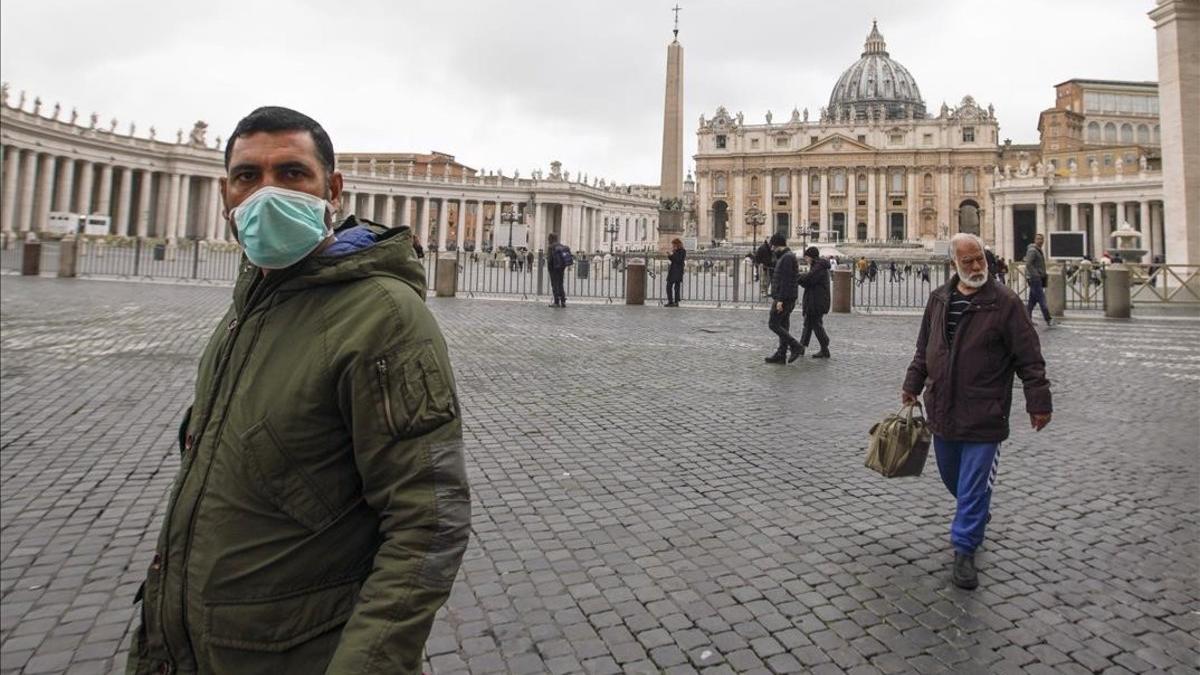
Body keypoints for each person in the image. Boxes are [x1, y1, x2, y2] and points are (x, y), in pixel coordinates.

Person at [126, 106, 470, 674]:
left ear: (332, 189)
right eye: (246, 177)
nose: (265, 193)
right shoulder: (250, 302)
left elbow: (429, 520)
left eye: (291, 173)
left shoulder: (384, 317)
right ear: (225, 195)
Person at [902, 232, 1051, 591]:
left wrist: (1039, 399)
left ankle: (965, 549)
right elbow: (925, 347)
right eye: (968, 261)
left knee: (971, 484)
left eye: (980, 259)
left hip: (987, 409)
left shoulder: (1006, 302)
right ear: (954, 263)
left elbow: (1028, 356)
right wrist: (912, 383)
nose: (976, 266)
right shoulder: (939, 299)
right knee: (953, 476)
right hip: (943, 405)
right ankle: (976, 511)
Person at [764, 233, 804, 364]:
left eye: (773, 246)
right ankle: (781, 354)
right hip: (788, 296)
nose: (771, 249)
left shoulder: (786, 258)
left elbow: (786, 280)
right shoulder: (786, 257)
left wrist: (780, 300)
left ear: (777, 245)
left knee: (773, 324)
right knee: (783, 325)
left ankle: (796, 346)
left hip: (784, 297)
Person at [797, 246, 832, 359]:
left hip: (817, 301)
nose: (805, 260)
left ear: (811, 257)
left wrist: (798, 278)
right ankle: (802, 347)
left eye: (806, 257)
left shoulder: (819, 267)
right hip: (815, 299)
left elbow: (809, 280)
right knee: (809, 324)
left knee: (815, 324)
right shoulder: (817, 266)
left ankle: (824, 343)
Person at [1024, 233, 1053, 326]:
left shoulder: (1038, 250)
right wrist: (1036, 274)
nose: (1040, 241)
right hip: (1035, 279)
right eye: (1038, 239)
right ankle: (1048, 319)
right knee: (1041, 299)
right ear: (1035, 240)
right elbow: (1028, 264)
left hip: (1036, 278)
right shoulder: (1033, 250)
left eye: (1041, 239)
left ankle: (1027, 319)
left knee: (1032, 301)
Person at [547, 232, 568, 307]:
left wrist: (549, 268)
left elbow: (550, 260)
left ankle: (556, 302)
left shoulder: (551, 247)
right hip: (561, 268)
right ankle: (563, 301)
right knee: (560, 284)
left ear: (551, 239)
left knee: (554, 284)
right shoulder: (562, 246)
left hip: (554, 268)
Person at [665, 237, 686, 307]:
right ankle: (670, 301)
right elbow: (673, 260)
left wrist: (673, 254)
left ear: (677, 244)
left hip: (678, 271)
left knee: (676, 287)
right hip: (673, 270)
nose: (673, 246)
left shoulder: (682, 251)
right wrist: (669, 256)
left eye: (674, 245)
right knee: (669, 286)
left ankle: (676, 302)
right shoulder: (676, 251)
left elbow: (678, 260)